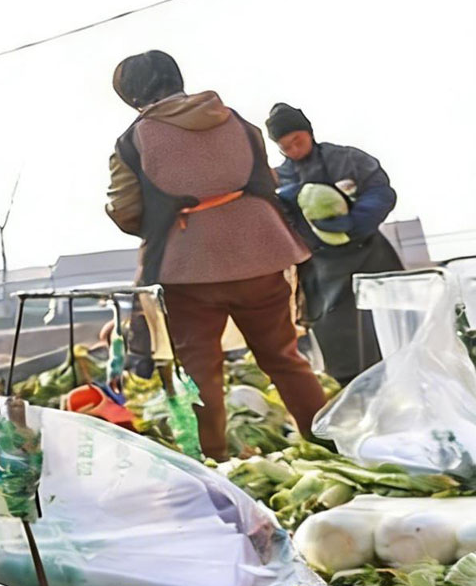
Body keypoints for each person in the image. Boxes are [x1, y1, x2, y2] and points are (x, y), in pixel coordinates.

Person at [104, 50, 326, 458]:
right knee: (284, 358)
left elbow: (126, 210)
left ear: (131, 94)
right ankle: (326, 443)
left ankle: (215, 461)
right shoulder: (236, 120)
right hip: (263, 254)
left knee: (200, 372)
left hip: (188, 269)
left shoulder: (133, 140)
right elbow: (266, 180)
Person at [265, 103, 403, 384]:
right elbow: (276, 223)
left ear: (309, 132)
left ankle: (403, 383)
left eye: (298, 140)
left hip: (370, 256)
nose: (294, 150)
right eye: (285, 147)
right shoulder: (279, 180)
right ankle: (354, 391)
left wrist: (355, 222)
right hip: (322, 271)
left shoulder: (348, 160)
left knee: (390, 334)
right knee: (340, 344)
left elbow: (380, 191)